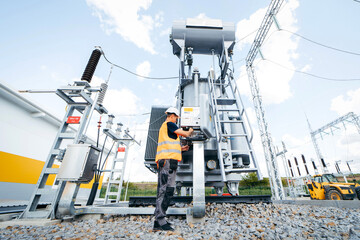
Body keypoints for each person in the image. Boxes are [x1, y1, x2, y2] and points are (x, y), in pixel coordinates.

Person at [153, 107, 193, 231]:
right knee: (164, 191)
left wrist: (182, 149)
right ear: (172, 116)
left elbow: (171, 145)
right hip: (166, 162)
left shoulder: (169, 129)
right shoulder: (169, 124)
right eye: (176, 118)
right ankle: (159, 221)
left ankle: (160, 220)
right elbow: (185, 134)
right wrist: (191, 129)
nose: (176, 120)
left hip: (170, 162)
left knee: (168, 191)